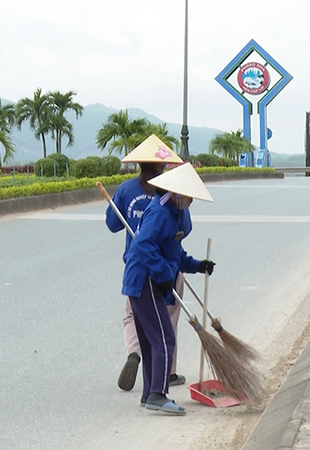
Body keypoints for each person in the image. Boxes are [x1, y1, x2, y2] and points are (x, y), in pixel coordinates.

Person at [122, 162, 215, 415]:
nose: (187, 200)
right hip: (144, 280)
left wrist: (198, 266)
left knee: (153, 341)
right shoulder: (159, 212)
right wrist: (163, 274)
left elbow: (175, 252)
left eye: (190, 197)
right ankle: (158, 394)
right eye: (184, 195)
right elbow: (142, 245)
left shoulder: (178, 214)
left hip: (152, 279)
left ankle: (147, 394)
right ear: (173, 192)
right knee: (164, 338)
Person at [105, 135, 188, 392]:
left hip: (135, 266)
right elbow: (184, 228)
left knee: (133, 315)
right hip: (165, 267)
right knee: (167, 319)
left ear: (139, 164)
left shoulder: (126, 190)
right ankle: (168, 373)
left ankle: (134, 352)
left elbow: (112, 224)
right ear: (162, 166)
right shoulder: (171, 192)